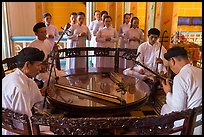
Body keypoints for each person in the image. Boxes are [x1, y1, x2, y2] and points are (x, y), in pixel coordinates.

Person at [2, 47, 46, 135]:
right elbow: (24, 124)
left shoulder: (9, 77)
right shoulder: (20, 88)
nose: (40, 69)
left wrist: (41, 93)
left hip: (6, 126)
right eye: (38, 65)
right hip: (16, 131)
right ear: (27, 65)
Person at [160, 46, 202, 135]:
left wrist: (168, 92)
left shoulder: (180, 77)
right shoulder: (199, 71)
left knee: (165, 108)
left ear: (172, 61)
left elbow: (178, 110)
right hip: (200, 120)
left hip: (191, 124)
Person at [123, 28, 168, 101]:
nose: (153, 39)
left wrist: (161, 62)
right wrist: (141, 69)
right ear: (148, 36)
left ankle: (148, 78)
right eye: (152, 37)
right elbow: (139, 60)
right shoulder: (142, 46)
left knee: (161, 69)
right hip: (143, 70)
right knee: (126, 71)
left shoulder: (160, 47)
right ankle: (145, 77)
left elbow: (166, 62)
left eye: (156, 38)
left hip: (155, 72)